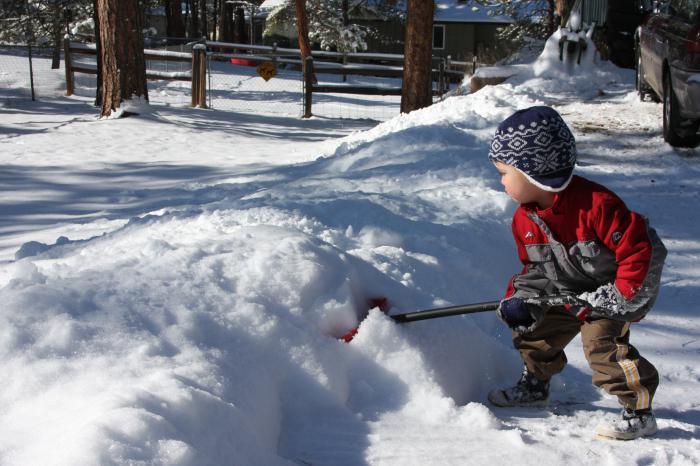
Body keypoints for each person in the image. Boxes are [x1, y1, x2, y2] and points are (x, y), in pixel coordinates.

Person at [486, 106, 667, 440]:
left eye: (504, 172)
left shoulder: (597, 205)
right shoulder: (524, 221)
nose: (501, 181)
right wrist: (521, 297)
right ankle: (536, 385)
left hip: (608, 295)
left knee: (602, 347)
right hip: (567, 293)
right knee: (533, 330)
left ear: (533, 172)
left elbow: (639, 249)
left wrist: (621, 296)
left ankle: (639, 410)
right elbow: (536, 269)